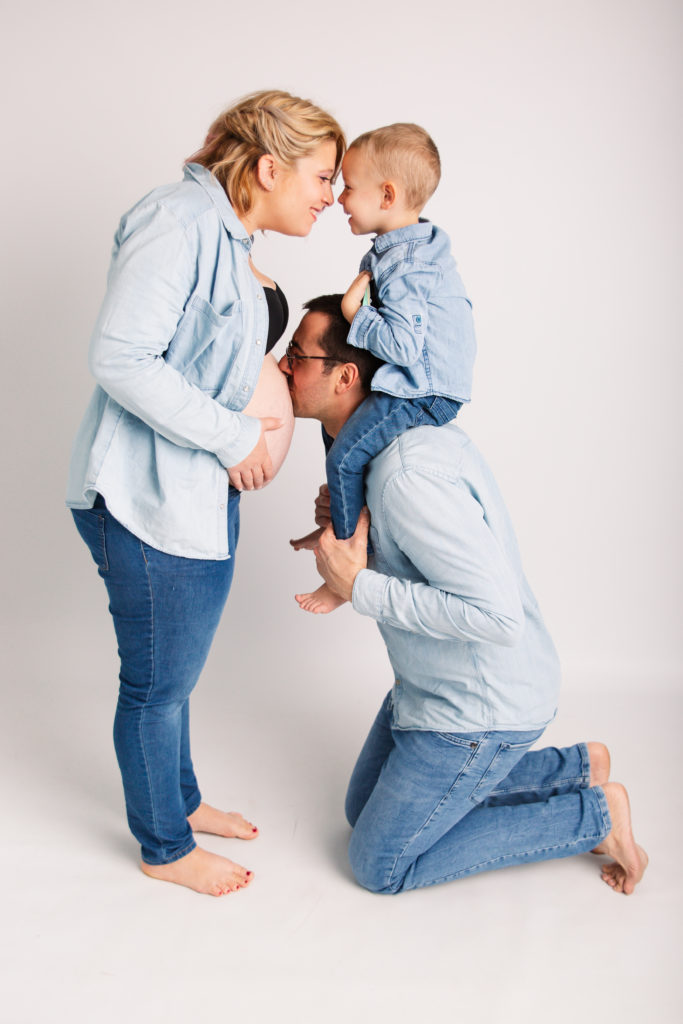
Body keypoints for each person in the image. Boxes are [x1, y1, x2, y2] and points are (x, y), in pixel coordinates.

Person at [66, 91, 345, 897]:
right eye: (321, 176)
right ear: (267, 167)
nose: (330, 194)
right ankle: (164, 846)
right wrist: (235, 438)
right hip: (143, 499)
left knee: (174, 679)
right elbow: (120, 356)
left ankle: (180, 803)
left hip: (190, 498)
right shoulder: (179, 219)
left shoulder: (224, 232)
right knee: (155, 688)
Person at [281, 295, 648, 896]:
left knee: (378, 865)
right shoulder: (376, 458)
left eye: (296, 355)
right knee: (360, 809)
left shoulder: (405, 476)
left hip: (479, 709)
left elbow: (494, 614)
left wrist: (359, 586)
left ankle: (594, 818)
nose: (281, 366)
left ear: (345, 376)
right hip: (431, 687)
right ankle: (579, 768)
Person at [292, 124, 476, 615]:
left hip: (423, 390)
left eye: (349, 186)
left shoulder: (408, 263)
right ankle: (340, 526)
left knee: (346, 457)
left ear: (388, 194)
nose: (339, 198)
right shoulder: (406, 250)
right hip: (419, 383)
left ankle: (348, 567)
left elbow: (404, 346)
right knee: (340, 436)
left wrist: (356, 314)